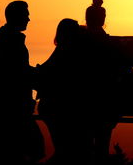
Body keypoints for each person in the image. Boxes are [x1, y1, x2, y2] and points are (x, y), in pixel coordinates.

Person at [83, 0, 133, 165]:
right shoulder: (111, 44)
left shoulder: (78, 42)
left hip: (84, 100)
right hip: (105, 101)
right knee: (101, 145)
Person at [0, 1, 44, 164]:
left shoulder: (3, 39)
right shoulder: (9, 41)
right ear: (17, 16)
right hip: (12, 109)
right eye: (26, 15)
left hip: (12, 108)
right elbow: (15, 71)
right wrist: (36, 74)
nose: (29, 19)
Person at [36, 18, 94, 165]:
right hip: (65, 108)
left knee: (63, 150)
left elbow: (47, 70)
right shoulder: (72, 51)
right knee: (68, 150)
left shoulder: (63, 50)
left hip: (56, 106)